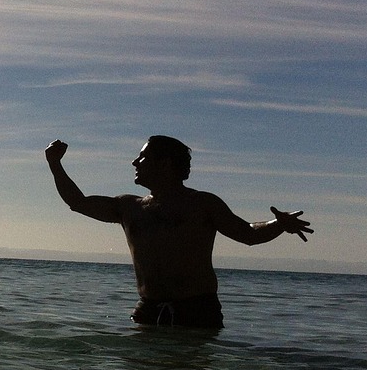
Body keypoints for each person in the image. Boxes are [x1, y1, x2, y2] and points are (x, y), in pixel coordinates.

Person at [45, 136, 312, 328]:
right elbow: (77, 202)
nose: (135, 162)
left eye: (143, 157)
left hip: (197, 311)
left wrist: (279, 224)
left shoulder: (202, 203)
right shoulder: (129, 207)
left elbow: (248, 233)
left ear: (166, 164)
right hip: (148, 310)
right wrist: (55, 164)